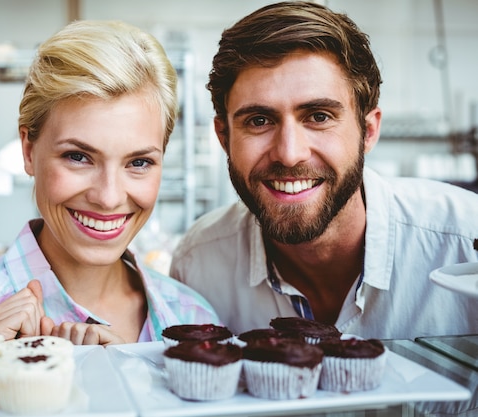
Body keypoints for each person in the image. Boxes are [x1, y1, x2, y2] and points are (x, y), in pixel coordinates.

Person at [0, 20, 220, 348]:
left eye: (139, 162)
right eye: (78, 157)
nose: (108, 197)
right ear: (29, 151)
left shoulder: (194, 321)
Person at [170, 1, 478, 340]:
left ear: (369, 131)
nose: (289, 154)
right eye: (259, 121)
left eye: (318, 116)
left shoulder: (464, 242)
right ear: (224, 137)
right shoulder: (199, 264)